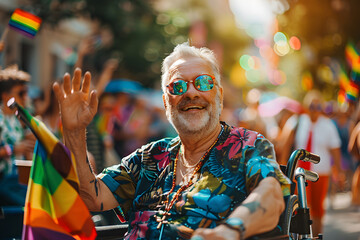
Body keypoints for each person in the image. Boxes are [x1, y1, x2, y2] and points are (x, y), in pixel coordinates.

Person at [53, 43, 291, 240]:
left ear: (218, 95)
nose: (190, 93)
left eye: (203, 83)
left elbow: (271, 193)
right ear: (166, 103)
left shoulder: (247, 145)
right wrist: (74, 132)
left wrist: (228, 232)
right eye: (177, 86)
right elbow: (91, 197)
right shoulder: (150, 156)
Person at [294, 90, 342, 236]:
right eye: (311, 106)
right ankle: (300, 236)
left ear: (321, 108)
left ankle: (316, 236)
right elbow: (286, 143)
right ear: (306, 107)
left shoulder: (328, 125)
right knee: (299, 207)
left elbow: (335, 150)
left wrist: (338, 172)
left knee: (317, 208)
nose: (314, 110)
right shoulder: (298, 121)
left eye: (317, 106)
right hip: (299, 173)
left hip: (319, 173)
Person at [0, 65, 35, 206]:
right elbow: (14, 149)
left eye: (26, 92)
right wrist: (12, 149)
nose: (25, 97)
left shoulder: (17, 120)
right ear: (5, 95)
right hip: (4, 183)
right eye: (21, 93)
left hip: (18, 182)